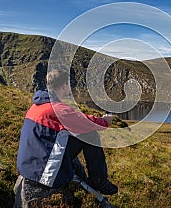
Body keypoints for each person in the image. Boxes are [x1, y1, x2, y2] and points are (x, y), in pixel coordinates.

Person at [14, 69, 118, 207]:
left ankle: (86, 177)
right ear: (64, 86)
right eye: (68, 86)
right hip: (43, 174)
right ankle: (98, 179)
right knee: (90, 134)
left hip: (29, 166)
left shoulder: (38, 105)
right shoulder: (58, 109)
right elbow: (88, 123)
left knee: (73, 136)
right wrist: (106, 121)